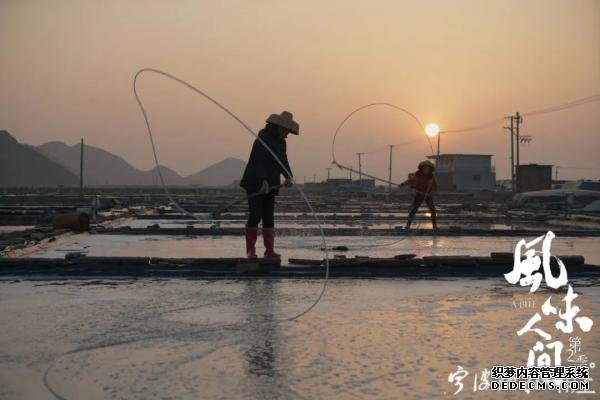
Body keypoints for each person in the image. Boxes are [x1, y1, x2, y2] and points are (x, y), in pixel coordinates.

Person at [240, 111, 298, 258]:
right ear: (280, 127)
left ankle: (269, 250)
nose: (287, 135)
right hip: (255, 182)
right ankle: (250, 251)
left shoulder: (281, 142)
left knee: (268, 216)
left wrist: (288, 176)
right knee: (256, 214)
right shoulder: (263, 138)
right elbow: (257, 160)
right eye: (286, 131)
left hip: (271, 183)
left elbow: (283, 161)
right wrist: (263, 180)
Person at [399, 159, 438, 230]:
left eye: (428, 168)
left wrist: (431, 193)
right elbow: (410, 181)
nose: (426, 169)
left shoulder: (431, 177)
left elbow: (434, 187)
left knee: (433, 210)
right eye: (425, 168)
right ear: (422, 168)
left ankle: (435, 226)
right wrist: (403, 184)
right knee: (413, 210)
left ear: (430, 169)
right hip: (419, 194)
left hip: (427, 195)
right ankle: (408, 225)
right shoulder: (417, 175)